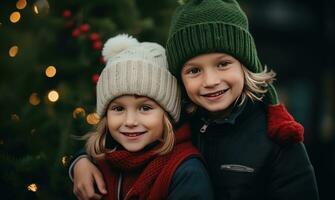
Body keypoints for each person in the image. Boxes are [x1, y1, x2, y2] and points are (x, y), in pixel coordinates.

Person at [69, 1, 318, 199]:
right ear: (180, 79)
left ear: (245, 65)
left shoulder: (277, 140)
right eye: (194, 70)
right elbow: (120, 142)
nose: (210, 81)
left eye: (222, 64)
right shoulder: (177, 116)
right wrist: (80, 162)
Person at [73, 34, 214, 200]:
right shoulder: (100, 160)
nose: (130, 121)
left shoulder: (186, 172)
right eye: (118, 108)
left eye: (145, 108)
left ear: (167, 115)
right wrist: (79, 162)